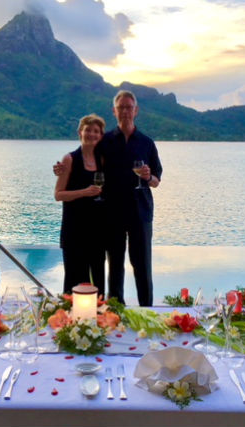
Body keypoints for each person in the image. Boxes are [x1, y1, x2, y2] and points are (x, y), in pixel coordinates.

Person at [54, 90, 162, 306]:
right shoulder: (106, 141)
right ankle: (115, 308)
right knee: (115, 266)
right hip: (112, 213)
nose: (125, 111)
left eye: (129, 107)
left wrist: (149, 176)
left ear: (136, 111)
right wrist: (61, 167)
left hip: (141, 213)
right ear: (114, 111)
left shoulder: (147, 143)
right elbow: (84, 154)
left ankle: (147, 309)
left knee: (142, 264)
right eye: (120, 107)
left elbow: (157, 180)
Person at [54, 113, 107, 296]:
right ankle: (69, 321)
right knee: (74, 281)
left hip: (98, 231)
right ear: (80, 132)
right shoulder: (69, 159)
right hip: (74, 230)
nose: (91, 134)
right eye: (88, 130)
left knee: (98, 282)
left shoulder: (104, 160)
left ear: (101, 136)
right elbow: (58, 194)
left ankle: (99, 319)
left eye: (96, 131)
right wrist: (84, 192)